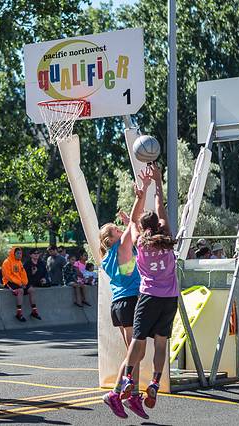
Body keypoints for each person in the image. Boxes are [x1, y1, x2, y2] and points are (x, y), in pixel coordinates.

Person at [112, 164, 177, 420]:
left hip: (148, 296)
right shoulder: (167, 238)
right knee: (161, 343)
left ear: (143, 226)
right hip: (169, 299)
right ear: (159, 225)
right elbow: (160, 206)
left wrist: (142, 193)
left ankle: (128, 378)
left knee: (137, 340)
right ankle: (155, 383)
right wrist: (158, 182)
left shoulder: (140, 242)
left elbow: (133, 221)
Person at [98, 190, 143, 419]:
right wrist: (139, 197)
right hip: (130, 301)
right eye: (116, 229)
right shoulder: (121, 248)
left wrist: (128, 224)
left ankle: (133, 394)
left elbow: (133, 230)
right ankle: (115, 393)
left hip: (118, 304)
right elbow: (135, 224)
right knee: (135, 354)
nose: (120, 229)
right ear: (112, 239)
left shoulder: (107, 257)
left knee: (135, 354)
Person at [1, 247, 41, 322]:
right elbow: (8, 276)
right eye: (18, 253)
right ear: (13, 254)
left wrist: (24, 283)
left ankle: (34, 311)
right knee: (20, 291)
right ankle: (19, 313)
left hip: (19, 282)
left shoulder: (19, 262)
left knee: (31, 290)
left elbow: (23, 274)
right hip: (9, 282)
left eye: (20, 253)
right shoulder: (7, 262)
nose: (20, 255)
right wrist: (19, 283)